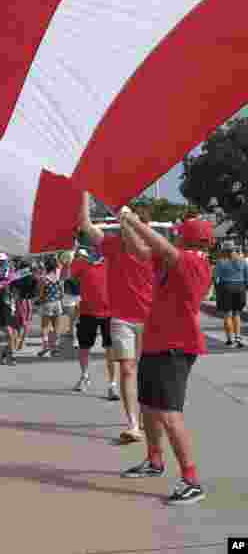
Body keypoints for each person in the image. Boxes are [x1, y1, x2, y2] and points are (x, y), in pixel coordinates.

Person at [116, 210, 213, 506]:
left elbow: (162, 246)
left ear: (189, 237)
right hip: (158, 343)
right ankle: (154, 460)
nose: (175, 234)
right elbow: (140, 249)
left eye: (180, 232)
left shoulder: (193, 262)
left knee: (170, 414)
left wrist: (133, 220)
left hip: (176, 347)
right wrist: (125, 223)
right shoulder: (173, 261)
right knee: (149, 407)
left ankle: (192, 480)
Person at [80, 194, 154, 444]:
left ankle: (147, 416)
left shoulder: (151, 250)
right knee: (127, 368)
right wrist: (84, 193)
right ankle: (133, 424)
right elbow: (87, 226)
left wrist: (128, 220)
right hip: (121, 318)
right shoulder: (113, 246)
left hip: (149, 319)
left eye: (131, 226)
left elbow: (139, 246)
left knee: (147, 371)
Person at [67, 249, 111, 393]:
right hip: (87, 312)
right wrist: (70, 257)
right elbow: (66, 276)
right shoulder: (81, 263)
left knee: (110, 349)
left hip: (109, 312)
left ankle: (113, 384)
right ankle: (84, 376)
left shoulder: (111, 262)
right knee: (84, 347)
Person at [213, 241, 247, 347]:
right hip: (240, 287)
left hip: (226, 287)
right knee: (237, 314)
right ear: (234, 249)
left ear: (224, 251)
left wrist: (216, 289)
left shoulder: (221, 262)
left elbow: (216, 277)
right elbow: (247, 276)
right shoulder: (242, 261)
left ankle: (229, 339)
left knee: (227, 314)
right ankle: (238, 338)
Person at [38, 256, 65, 356]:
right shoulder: (59, 277)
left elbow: (41, 293)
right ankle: (55, 348)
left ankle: (45, 347)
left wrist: (39, 300)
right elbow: (62, 292)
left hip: (47, 303)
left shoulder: (44, 278)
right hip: (57, 303)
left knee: (45, 327)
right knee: (56, 327)